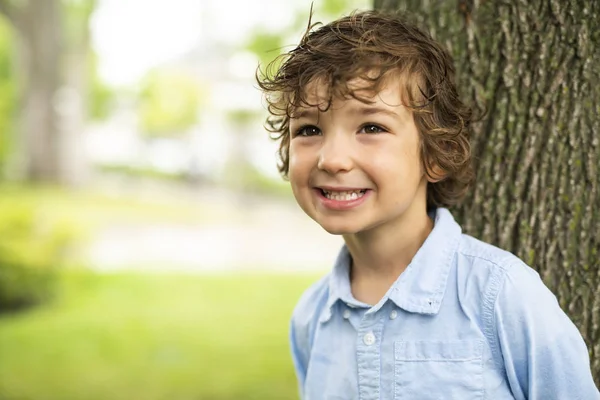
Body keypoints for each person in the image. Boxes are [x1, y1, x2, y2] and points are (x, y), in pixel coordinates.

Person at [256, 9, 600, 400]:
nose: (332, 159)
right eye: (309, 129)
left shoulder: (501, 296)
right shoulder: (311, 318)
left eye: (371, 127)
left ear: (436, 154)